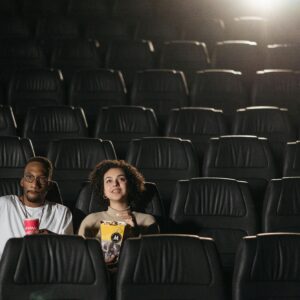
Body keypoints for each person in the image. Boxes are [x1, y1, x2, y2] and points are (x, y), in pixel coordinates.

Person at [78, 160, 159, 262]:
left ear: (130, 186)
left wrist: (136, 232)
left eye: (121, 179)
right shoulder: (90, 220)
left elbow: (153, 258)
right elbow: (80, 259)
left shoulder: (147, 221)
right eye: (109, 181)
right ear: (103, 191)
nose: (115, 184)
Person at [0, 156, 73, 259]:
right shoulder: (3, 204)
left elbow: (70, 255)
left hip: (45, 271)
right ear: (22, 182)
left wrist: (55, 240)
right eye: (29, 177)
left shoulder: (61, 213)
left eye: (42, 179)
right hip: (7, 271)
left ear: (49, 185)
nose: (34, 184)